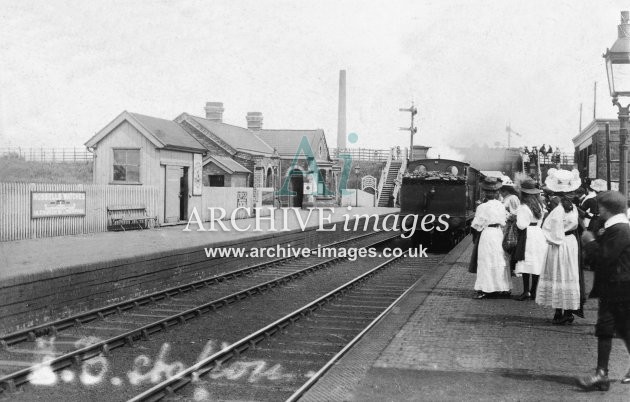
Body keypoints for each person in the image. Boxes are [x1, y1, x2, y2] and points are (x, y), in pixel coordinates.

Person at [578, 191, 630, 391]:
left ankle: (602, 374)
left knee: (609, 328)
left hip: (619, 287)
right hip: (616, 287)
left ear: (607, 209)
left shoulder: (620, 230)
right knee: (617, 329)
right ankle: (601, 373)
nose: (598, 211)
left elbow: (604, 257)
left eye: (600, 208)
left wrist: (590, 242)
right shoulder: (617, 228)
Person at [535, 168, 582, 324]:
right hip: (570, 243)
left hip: (560, 244)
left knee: (558, 274)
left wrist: (554, 240)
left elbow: (547, 228)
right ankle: (567, 311)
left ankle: (560, 312)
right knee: (568, 274)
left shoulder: (558, 209)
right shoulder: (573, 208)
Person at [471, 177, 511, 299]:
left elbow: (476, 225)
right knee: (499, 259)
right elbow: (504, 221)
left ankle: (486, 288)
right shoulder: (501, 205)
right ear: (497, 192)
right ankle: (502, 288)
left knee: (486, 260)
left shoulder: (482, 207)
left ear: (485, 192)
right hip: (499, 233)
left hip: (487, 234)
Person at [513, 179, 546, 301]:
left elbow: (521, 225)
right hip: (538, 233)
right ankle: (534, 291)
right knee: (536, 263)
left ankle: (526, 291)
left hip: (527, 234)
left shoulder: (523, 207)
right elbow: (540, 221)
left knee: (525, 262)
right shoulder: (540, 205)